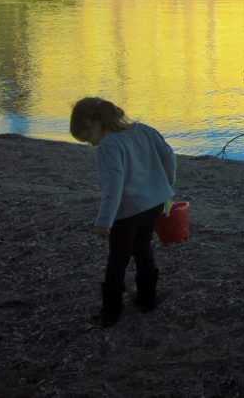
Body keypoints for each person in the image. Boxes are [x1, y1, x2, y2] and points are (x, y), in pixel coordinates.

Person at [69, 97, 177, 327]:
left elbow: (113, 187)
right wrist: (167, 185)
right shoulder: (144, 130)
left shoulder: (109, 146)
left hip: (128, 212)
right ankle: (148, 299)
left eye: (88, 138)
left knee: (118, 259)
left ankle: (111, 310)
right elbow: (169, 157)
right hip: (155, 204)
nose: (92, 145)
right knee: (143, 249)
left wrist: (104, 221)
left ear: (93, 123)